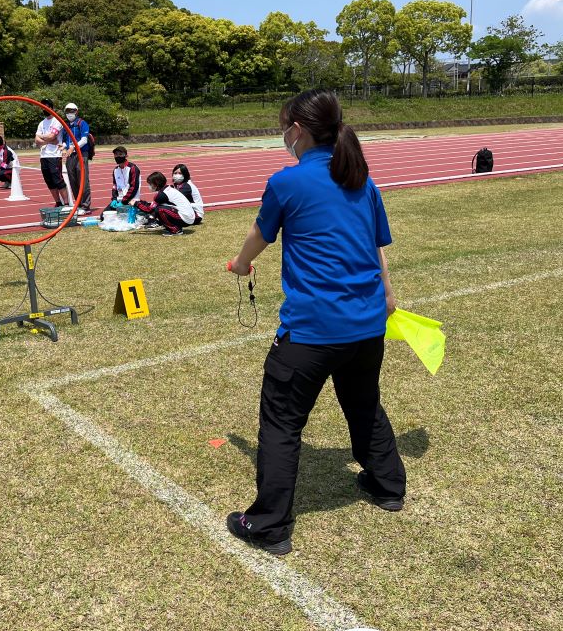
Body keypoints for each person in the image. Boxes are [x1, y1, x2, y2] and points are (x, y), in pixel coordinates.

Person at [225, 89, 404, 556]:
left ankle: (268, 524)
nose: (282, 135)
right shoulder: (362, 182)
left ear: (297, 130)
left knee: (281, 423)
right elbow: (376, 247)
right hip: (367, 328)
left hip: (311, 332)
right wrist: (387, 296)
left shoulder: (288, 183)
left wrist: (240, 265)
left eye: (283, 126)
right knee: (364, 404)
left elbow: (258, 235)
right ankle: (387, 485)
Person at [135, 171, 196, 236]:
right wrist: (139, 202)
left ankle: (175, 230)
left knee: (159, 209)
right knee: (158, 207)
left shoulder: (161, 194)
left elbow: (149, 209)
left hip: (186, 218)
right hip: (188, 217)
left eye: (150, 184)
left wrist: (135, 203)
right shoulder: (167, 189)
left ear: (156, 184)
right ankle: (168, 226)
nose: (149, 186)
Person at [35, 98, 70, 207]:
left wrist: (45, 138)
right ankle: (58, 202)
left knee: (58, 180)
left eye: (46, 106)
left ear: (51, 108)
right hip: (44, 156)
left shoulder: (57, 121)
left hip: (54, 155)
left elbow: (52, 136)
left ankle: (66, 203)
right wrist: (49, 140)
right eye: (42, 107)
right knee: (49, 181)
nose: (44, 109)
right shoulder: (41, 123)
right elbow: (36, 140)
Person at [61, 101, 92, 214]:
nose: (70, 113)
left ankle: (85, 206)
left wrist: (73, 148)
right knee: (72, 179)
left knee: (83, 179)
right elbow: (64, 140)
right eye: (67, 111)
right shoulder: (65, 125)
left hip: (81, 154)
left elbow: (84, 140)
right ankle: (78, 203)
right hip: (70, 155)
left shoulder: (82, 123)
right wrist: (64, 147)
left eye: (72, 111)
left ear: (77, 112)